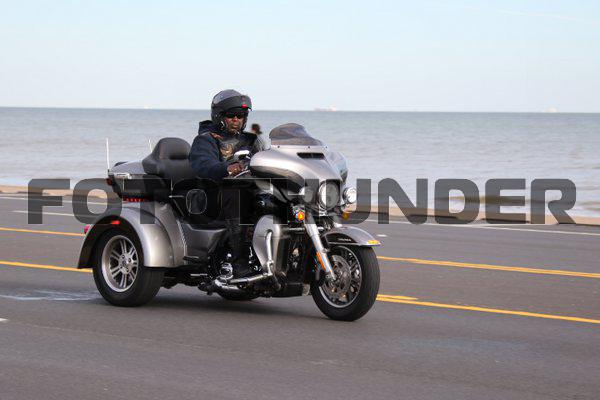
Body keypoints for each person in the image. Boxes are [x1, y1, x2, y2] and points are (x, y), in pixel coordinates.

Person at [188, 90, 257, 278]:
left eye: (241, 115)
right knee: (236, 195)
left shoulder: (251, 140)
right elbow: (203, 165)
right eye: (231, 115)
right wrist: (227, 168)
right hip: (211, 196)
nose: (236, 119)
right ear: (219, 116)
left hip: (247, 191)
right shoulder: (206, 139)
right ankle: (240, 262)